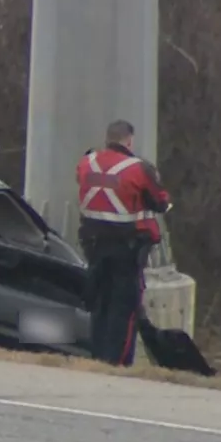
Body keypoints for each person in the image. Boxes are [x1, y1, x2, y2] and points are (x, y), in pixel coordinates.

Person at [75, 119, 172, 367]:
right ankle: (116, 363)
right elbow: (160, 202)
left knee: (100, 304)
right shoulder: (140, 169)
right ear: (129, 140)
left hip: (94, 246)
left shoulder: (87, 162)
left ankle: (96, 358)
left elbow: (85, 184)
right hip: (127, 249)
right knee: (124, 308)